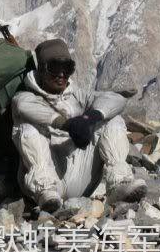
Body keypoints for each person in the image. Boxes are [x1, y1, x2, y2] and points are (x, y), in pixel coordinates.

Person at [11, 39, 147, 212]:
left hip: (82, 175)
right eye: (54, 68)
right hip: (50, 181)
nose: (61, 74)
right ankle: (44, 190)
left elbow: (116, 99)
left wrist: (90, 118)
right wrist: (66, 124)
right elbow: (24, 106)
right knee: (28, 129)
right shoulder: (25, 97)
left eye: (67, 68)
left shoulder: (78, 96)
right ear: (42, 69)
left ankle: (119, 183)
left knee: (112, 119)